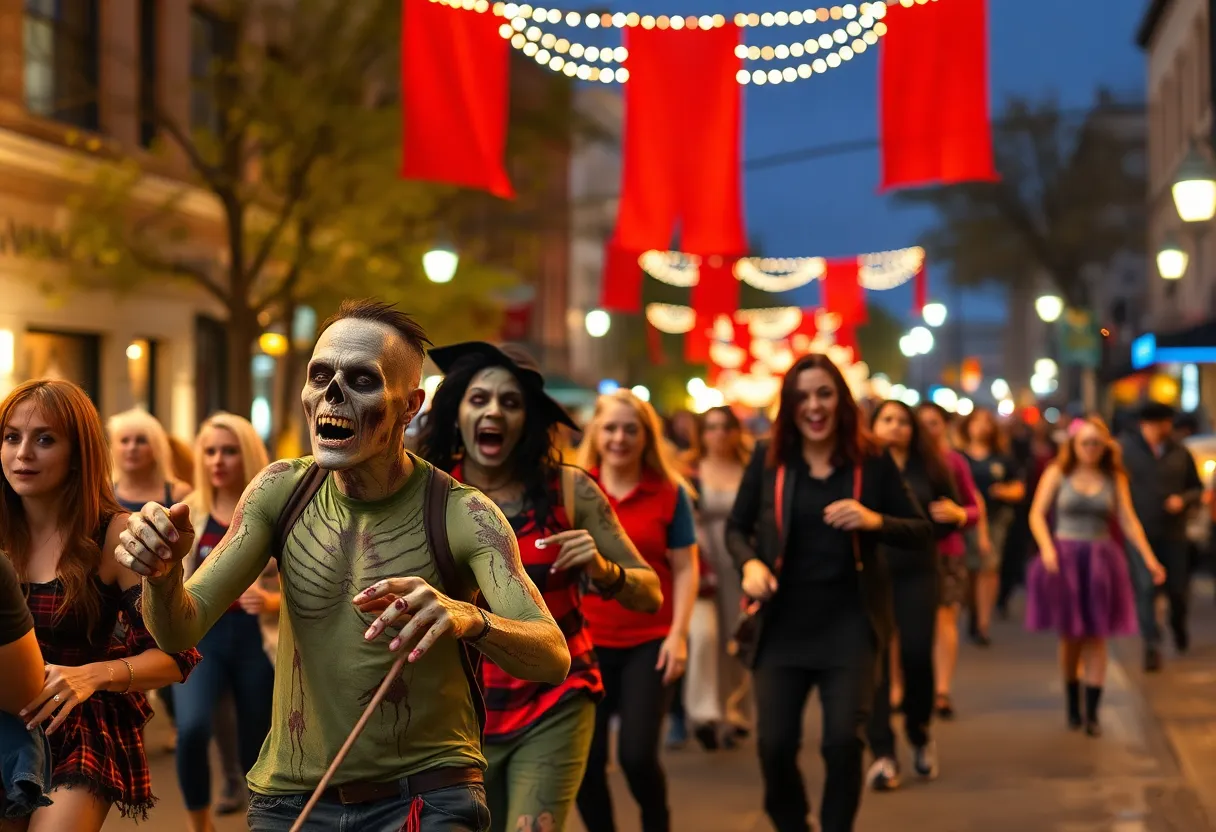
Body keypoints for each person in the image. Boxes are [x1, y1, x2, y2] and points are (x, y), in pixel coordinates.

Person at [117, 299, 571, 832]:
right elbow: (179, 630)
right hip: (291, 798)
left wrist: (468, 618)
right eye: (319, 376)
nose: (332, 396)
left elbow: (552, 656)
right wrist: (164, 575)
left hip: (425, 797)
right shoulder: (278, 490)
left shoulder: (463, 513)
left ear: (410, 406)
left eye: (361, 380)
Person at [417, 341, 661, 832]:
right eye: (479, 398)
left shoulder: (570, 490)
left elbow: (650, 592)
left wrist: (602, 568)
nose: (494, 412)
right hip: (458, 711)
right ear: (457, 410)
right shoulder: (429, 494)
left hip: (555, 698)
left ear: (529, 419)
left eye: (511, 402)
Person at [726, 355, 931, 832]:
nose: (813, 406)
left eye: (824, 394)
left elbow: (920, 529)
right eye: (802, 396)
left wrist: (874, 519)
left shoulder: (871, 459)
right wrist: (750, 563)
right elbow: (736, 528)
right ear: (789, 404)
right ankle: (795, 823)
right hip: (781, 626)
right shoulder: (769, 459)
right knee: (773, 747)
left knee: (842, 743)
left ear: (841, 400)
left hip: (849, 625)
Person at [3, 379, 200, 830]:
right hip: (5, 723)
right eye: (12, 437)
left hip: (78, 727)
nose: (23, 453)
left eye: (45, 439)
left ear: (78, 454)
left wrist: (93, 675)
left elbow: (176, 657)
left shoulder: (116, 534)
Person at [575, 390, 699, 832]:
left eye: (631, 429)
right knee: (585, 766)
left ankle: (657, 822)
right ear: (596, 432)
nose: (620, 438)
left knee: (637, 755)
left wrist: (679, 635)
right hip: (585, 643)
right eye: (610, 428)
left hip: (650, 640)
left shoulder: (670, 492)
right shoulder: (575, 489)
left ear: (647, 436)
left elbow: (685, 567)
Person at [1026, 416, 1165, 735]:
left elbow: (1129, 521)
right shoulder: (1058, 472)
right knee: (1071, 638)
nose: (1091, 448)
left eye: (1097, 443)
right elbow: (1035, 513)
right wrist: (1047, 547)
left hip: (1101, 560)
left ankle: (1093, 714)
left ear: (1106, 447)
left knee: (1097, 636)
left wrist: (1149, 559)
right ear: (1074, 445)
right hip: (1065, 559)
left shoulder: (1114, 477)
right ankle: (1073, 701)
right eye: (1085, 442)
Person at [175, 412, 278, 832]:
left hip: (259, 638)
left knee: (259, 743)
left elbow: (311, 580)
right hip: (203, 637)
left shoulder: (275, 508)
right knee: (193, 728)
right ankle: (201, 826)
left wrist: (273, 601)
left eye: (230, 451)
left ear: (248, 454)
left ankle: (261, 822)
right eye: (211, 451)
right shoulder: (190, 510)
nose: (218, 460)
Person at [865, 400, 973, 791]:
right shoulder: (863, 468)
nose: (894, 427)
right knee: (873, 661)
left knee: (915, 654)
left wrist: (954, 516)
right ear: (872, 425)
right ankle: (883, 753)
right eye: (886, 420)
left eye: (902, 422)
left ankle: (919, 730)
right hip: (872, 573)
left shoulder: (930, 466)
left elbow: (950, 515)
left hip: (917, 569)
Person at [1117, 401, 1204, 671]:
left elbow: (1197, 488)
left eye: (1165, 424)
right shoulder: (1127, 451)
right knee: (1145, 588)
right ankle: (1151, 643)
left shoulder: (1180, 453)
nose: (1161, 430)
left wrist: (1184, 499)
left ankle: (1178, 627)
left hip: (1173, 533)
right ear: (1144, 425)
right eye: (1156, 425)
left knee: (1177, 589)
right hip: (1140, 533)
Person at [916, 403, 985, 720]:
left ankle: (941, 690)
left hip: (947, 550)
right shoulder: (903, 461)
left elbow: (973, 507)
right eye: (922, 423)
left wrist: (960, 515)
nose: (928, 429)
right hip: (910, 550)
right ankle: (900, 687)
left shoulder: (954, 461)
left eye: (934, 423)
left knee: (945, 619)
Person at [957, 408, 1024, 646]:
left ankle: (983, 623)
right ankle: (972, 612)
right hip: (964, 519)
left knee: (989, 567)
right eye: (977, 422)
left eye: (987, 423)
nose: (982, 427)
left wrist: (1003, 491)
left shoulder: (1002, 458)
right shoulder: (959, 457)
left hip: (996, 518)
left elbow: (1019, 488)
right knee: (967, 570)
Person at [0, 552, 51, 823]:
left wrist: (97, 673)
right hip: (25, 717)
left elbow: (24, 697)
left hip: (67, 715)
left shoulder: (110, 531)